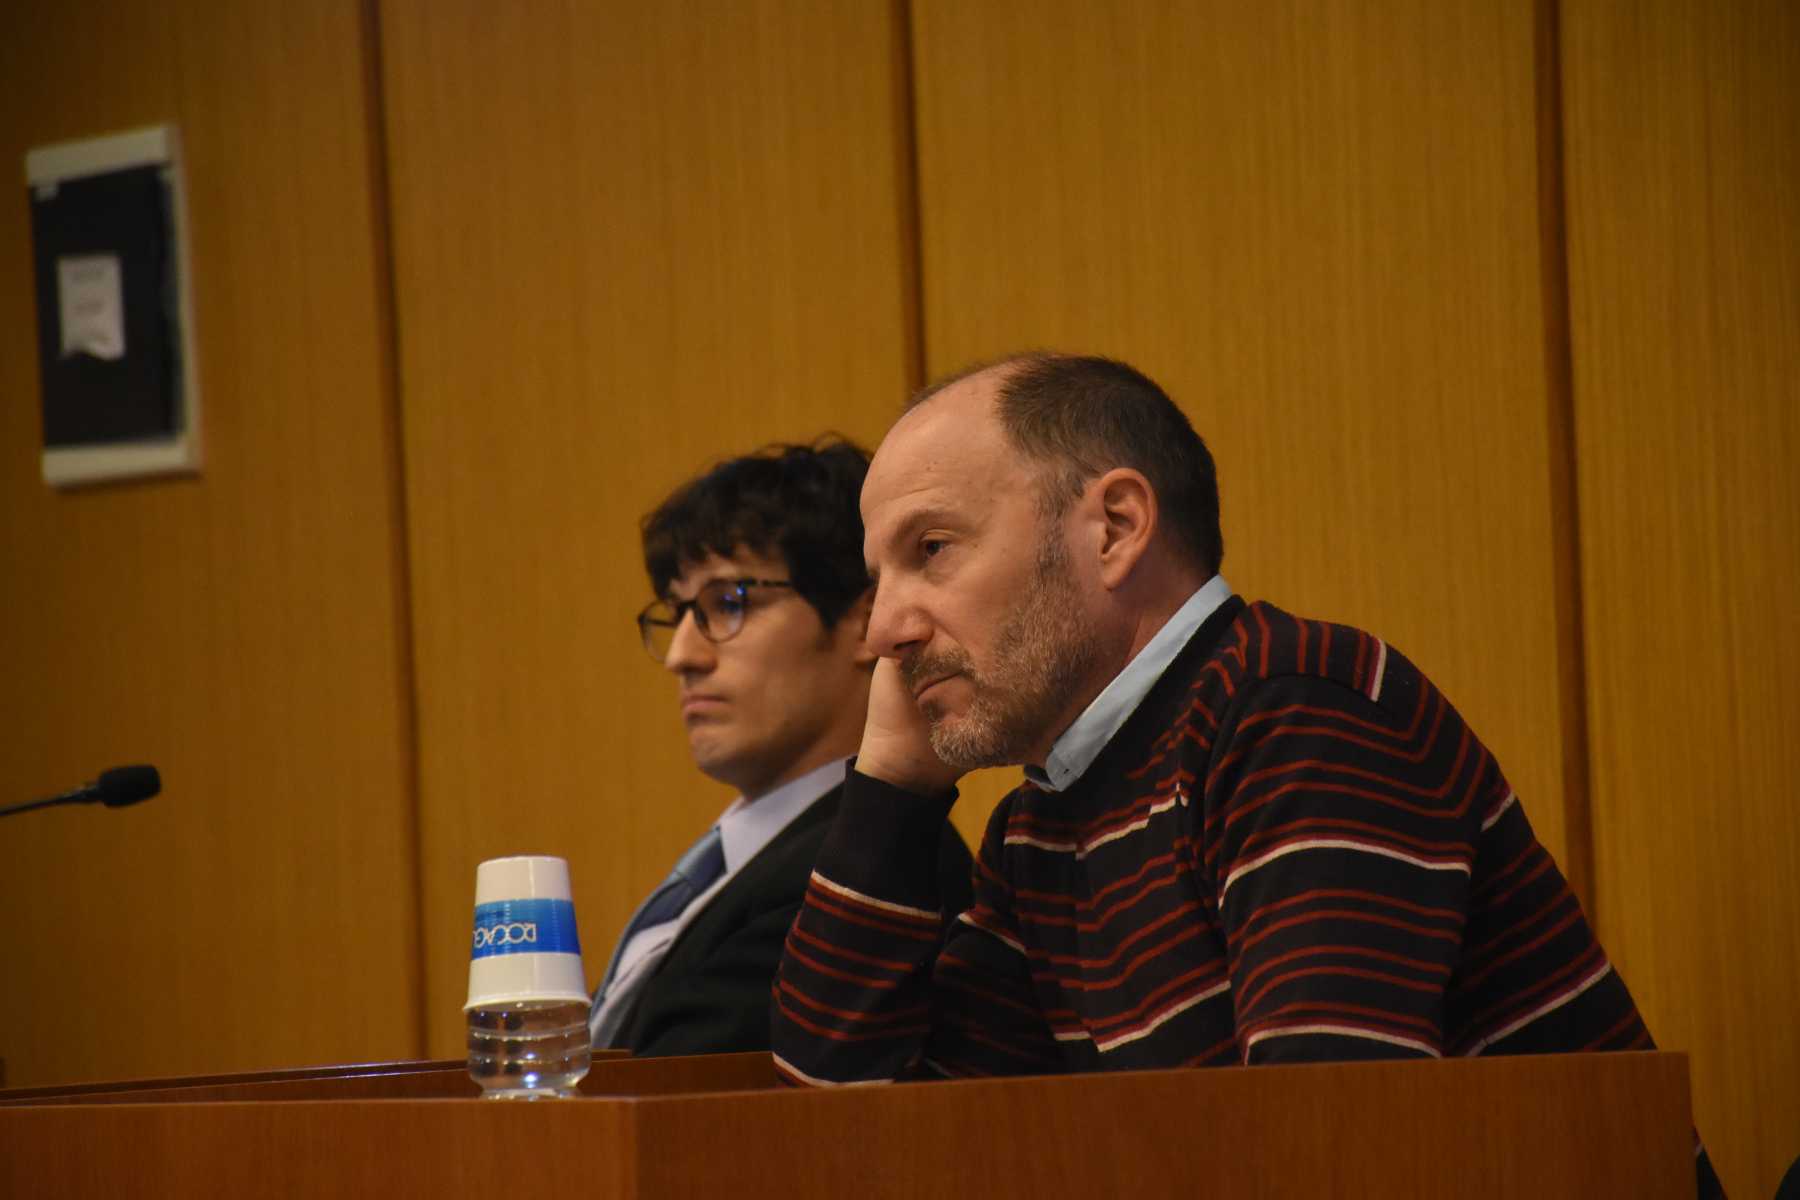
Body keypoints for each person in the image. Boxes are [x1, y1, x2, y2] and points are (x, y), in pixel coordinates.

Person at [771, 355, 1722, 1196]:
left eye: (930, 551)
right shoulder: (1041, 824)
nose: (886, 631)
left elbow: (1323, 1153)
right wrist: (893, 784)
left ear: (1115, 528)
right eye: (879, 579)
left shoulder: (1298, 709)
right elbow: (851, 1143)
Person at [589, 437, 973, 1057]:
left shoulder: (873, 875)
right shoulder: (743, 862)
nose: (683, 656)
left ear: (864, 622)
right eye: (679, 613)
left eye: (729, 602)